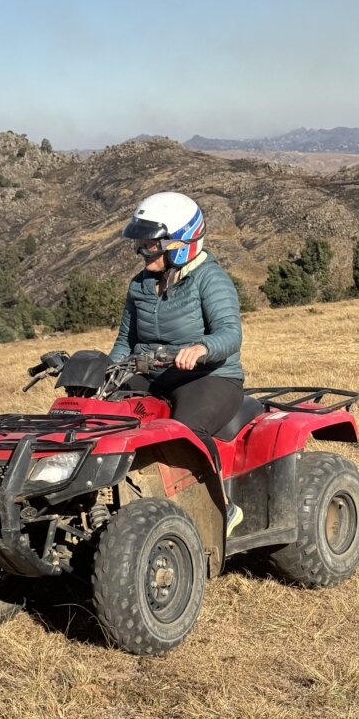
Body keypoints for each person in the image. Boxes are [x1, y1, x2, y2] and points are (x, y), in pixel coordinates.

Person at [110, 191, 245, 536]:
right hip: (152, 374)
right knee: (103, 414)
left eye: (151, 246)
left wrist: (201, 348)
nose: (143, 252)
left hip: (209, 376)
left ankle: (222, 509)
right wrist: (107, 375)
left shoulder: (210, 279)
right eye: (141, 244)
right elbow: (125, 341)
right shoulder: (140, 284)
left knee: (184, 430)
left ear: (181, 243)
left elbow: (230, 334)